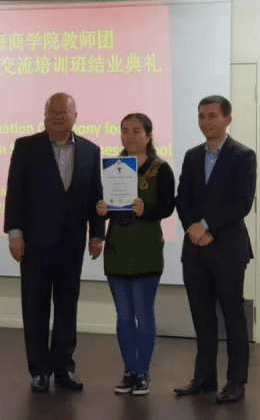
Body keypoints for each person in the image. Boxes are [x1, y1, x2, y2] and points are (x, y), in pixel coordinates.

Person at [4, 92, 105, 393]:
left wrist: (97, 234)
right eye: (53, 111)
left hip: (71, 245)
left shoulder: (91, 151)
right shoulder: (26, 147)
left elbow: (95, 194)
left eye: (64, 112)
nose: (58, 116)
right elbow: (14, 192)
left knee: (66, 308)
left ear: (76, 116)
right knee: (34, 307)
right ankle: (39, 371)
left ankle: (64, 368)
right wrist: (14, 233)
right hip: (34, 244)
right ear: (45, 115)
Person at [174, 95, 256, 404]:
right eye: (201, 116)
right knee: (202, 316)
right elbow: (182, 199)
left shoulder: (243, 156)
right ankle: (204, 378)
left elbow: (242, 203)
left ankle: (236, 381)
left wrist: (205, 225)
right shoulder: (192, 156)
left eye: (212, 116)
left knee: (233, 317)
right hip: (194, 249)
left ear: (227, 119)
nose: (205, 122)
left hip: (228, 249)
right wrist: (192, 227)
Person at [96, 113, 175, 396]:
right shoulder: (112, 168)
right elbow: (104, 206)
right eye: (124, 130)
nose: (129, 136)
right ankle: (129, 370)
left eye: (136, 131)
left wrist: (147, 210)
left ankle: (143, 371)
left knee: (143, 313)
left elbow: (168, 207)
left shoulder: (160, 168)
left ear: (148, 135)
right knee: (123, 316)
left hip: (146, 250)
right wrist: (101, 210)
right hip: (117, 249)